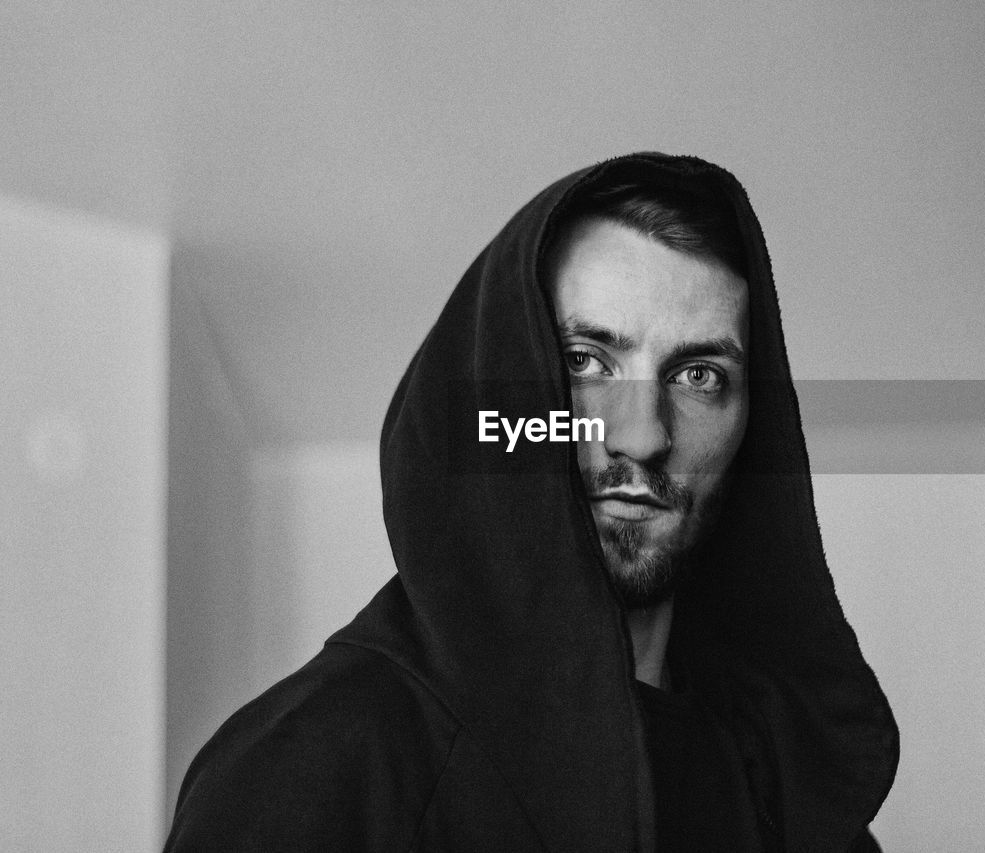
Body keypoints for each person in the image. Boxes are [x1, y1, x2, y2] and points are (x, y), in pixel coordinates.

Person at [165, 152, 898, 852]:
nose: (642, 436)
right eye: (585, 362)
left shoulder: (790, 799)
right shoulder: (318, 764)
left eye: (699, 376)